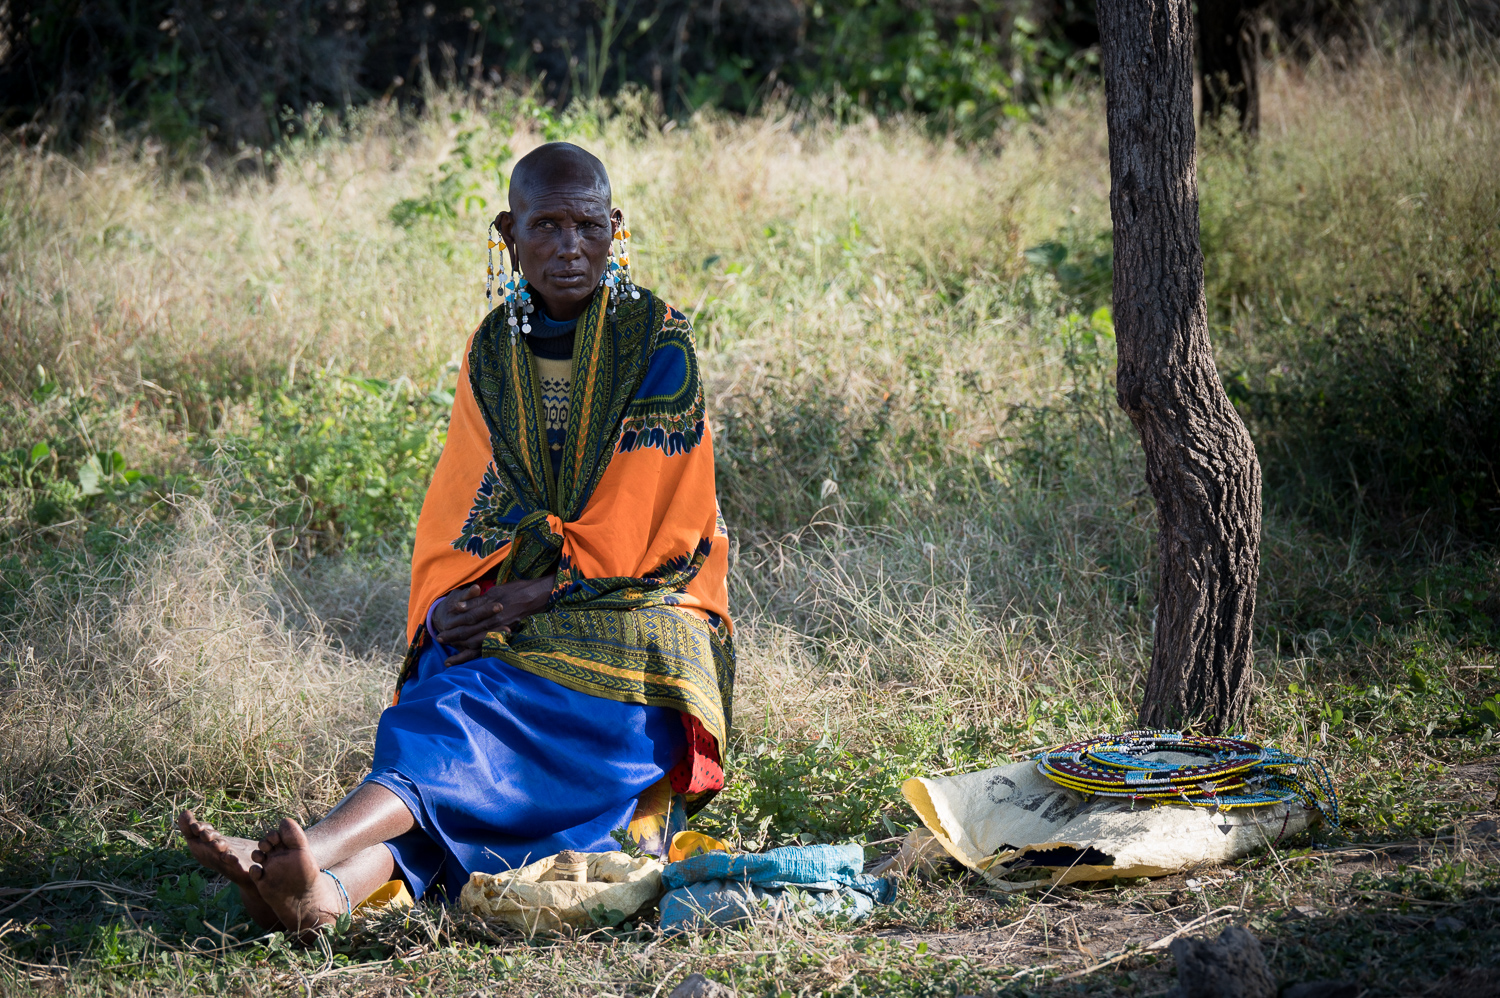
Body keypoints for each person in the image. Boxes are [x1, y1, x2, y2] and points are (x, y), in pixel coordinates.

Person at [177, 142, 734, 936]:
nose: (568, 247)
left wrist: (544, 588)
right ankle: (321, 898)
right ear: (508, 234)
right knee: (451, 669)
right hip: (527, 604)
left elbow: (658, 527)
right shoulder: (494, 347)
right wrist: (449, 605)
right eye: (546, 225)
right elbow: (467, 503)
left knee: (468, 705)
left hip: (647, 615)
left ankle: (323, 842)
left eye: (586, 225)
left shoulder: (658, 340)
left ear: (615, 229)